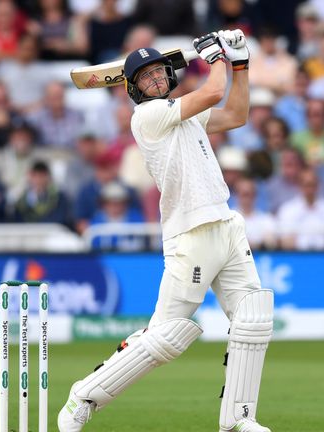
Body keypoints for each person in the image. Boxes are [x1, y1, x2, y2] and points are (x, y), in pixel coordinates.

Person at [57, 30, 273, 432]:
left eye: (160, 72)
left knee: (252, 320)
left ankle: (239, 420)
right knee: (165, 337)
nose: (156, 80)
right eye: (146, 77)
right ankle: (83, 396)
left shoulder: (184, 112)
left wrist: (240, 64)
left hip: (226, 225)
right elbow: (211, 93)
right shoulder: (148, 117)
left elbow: (237, 113)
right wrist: (217, 59)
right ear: (134, 89)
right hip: (189, 235)